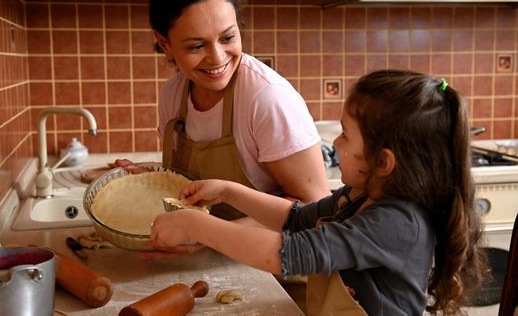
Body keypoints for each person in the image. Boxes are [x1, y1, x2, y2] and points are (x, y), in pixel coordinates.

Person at [149, 69, 487, 315]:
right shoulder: (358, 195)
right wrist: (230, 191)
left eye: (344, 135)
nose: (335, 143)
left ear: (383, 162)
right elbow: (297, 219)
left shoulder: (396, 223)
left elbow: (285, 254)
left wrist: (197, 225)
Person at [115, 0, 330, 220]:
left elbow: (315, 209)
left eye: (228, 38)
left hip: (265, 257)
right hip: (205, 252)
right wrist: (155, 183)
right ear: (165, 45)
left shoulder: (266, 97)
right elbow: (189, 195)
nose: (217, 58)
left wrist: (211, 234)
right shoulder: (174, 95)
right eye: (196, 45)